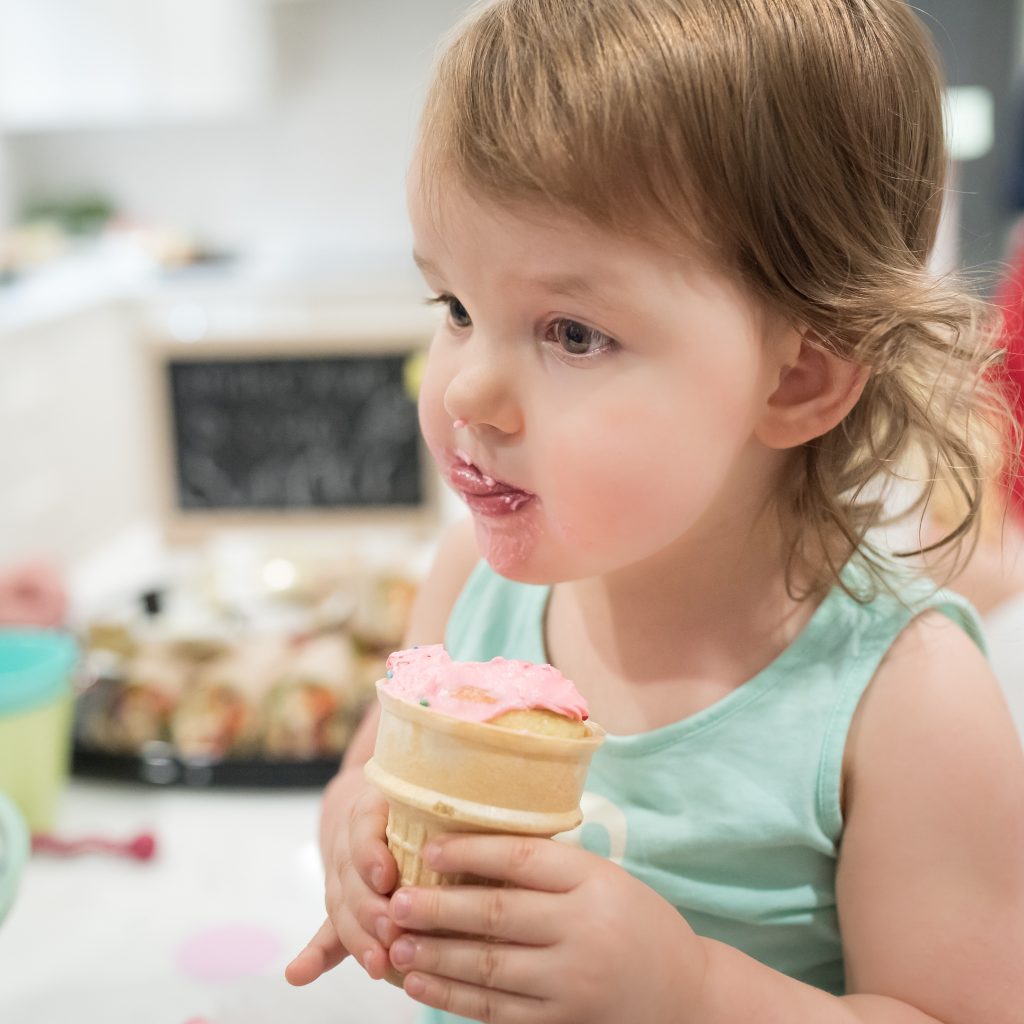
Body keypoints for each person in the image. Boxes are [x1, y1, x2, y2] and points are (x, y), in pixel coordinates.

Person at [286, 1, 1024, 1021]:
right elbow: (364, 778)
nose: (463, 393)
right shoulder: (472, 585)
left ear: (797, 377)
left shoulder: (908, 700)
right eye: (455, 307)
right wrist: (352, 842)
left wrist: (691, 990)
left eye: (572, 332)